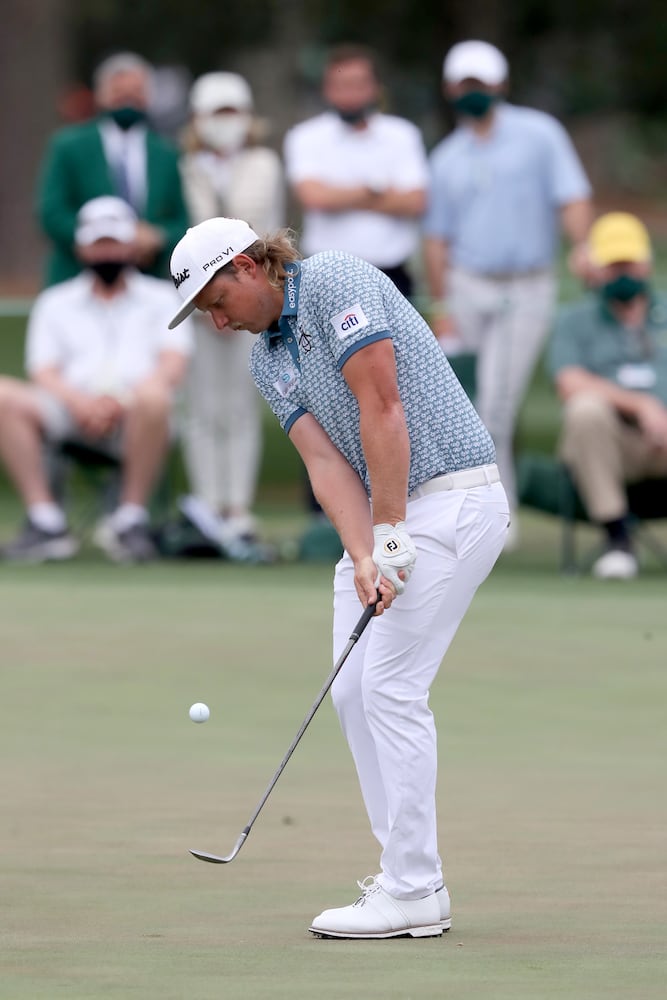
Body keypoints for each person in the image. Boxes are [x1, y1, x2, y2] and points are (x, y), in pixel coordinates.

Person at [167, 216, 510, 939]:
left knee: (390, 687)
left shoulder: (335, 279)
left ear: (249, 267)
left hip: (452, 497)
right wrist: (363, 552)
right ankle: (409, 878)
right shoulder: (267, 357)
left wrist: (390, 534)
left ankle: (413, 888)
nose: (216, 321)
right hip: (392, 512)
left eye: (214, 301)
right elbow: (325, 464)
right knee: (354, 689)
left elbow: (380, 405)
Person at [423, 39, 594, 546]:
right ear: (452, 90)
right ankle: (473, 509)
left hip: (527, 284)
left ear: (499, 85)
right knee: (461, 403)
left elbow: (573, 197)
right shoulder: (448, 154)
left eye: (481, 83)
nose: (473, 93)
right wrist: (443, 306)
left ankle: (498, 517)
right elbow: (437, 240)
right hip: (466, 284)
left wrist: (583, 245)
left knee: (495, 403)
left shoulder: (540, 135)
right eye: (464, 85)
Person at [0, 196, 192, 563]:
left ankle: (129, 520)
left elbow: (173, 364)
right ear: (81, 249)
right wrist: (81, 403)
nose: (107, 252)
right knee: (4, 395)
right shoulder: (55, 301)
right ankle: (46, 522)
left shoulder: (162, 297)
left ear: (131, 246)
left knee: (155, 398)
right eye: (98, 243)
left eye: (114, 242)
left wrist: (122, 401)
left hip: (138, 411)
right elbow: (43, 371)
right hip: (71, 410)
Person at [177, 71, 285, 553]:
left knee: (240, 405)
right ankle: (208, 504)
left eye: (232, 112)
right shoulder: (186, 166)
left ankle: (237, 508)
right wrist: (209, 301)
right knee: (202, 404)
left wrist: (239, 293)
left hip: (246, 287)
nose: (226, 122)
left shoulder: (264, 162)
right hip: (198, 297)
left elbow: (262, 227)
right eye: (216, 113)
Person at [548, 211, 667, 580]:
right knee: (585, 411)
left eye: (628, 264)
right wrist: (642, 405)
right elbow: (569, 382)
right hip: (612, 445)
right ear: (595, 269)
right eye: (613, 266)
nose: (623, 274)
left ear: (646, 264)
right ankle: (617, 540)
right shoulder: (575, 319)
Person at [283, 43, 429, 299]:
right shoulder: (304, 137)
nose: (350, 94)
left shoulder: (403, 135)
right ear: (327, 90)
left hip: (392, 274)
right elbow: (314, 198)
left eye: (358, 84)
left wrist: (339, 196)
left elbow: (415, 201)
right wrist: (376, 190)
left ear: (375, 87)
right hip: (326, 276)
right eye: (341, 85)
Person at [35, 51, 189, 286]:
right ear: (101, 94)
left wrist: (155, 237)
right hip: (77, 280)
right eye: (119, 92)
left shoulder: (166, 153)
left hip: (147, 281)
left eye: (136, 92)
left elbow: (180, 219)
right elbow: (52, 212)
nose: (128, 99)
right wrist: (103, 241)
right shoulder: (69, 146)